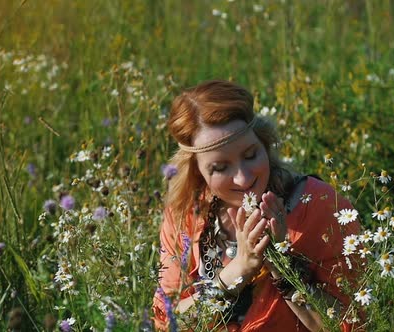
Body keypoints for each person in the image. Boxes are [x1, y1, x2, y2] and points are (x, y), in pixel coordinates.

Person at [152, 80, 361, 331]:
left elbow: (351, 324)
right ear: (196, 172)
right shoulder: (185, 215)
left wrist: (282, 264)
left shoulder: (321, 206)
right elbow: (166, 322)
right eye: (220, 167)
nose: (243, 178)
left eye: (251, 155)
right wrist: (238, 269)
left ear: (264, 143)